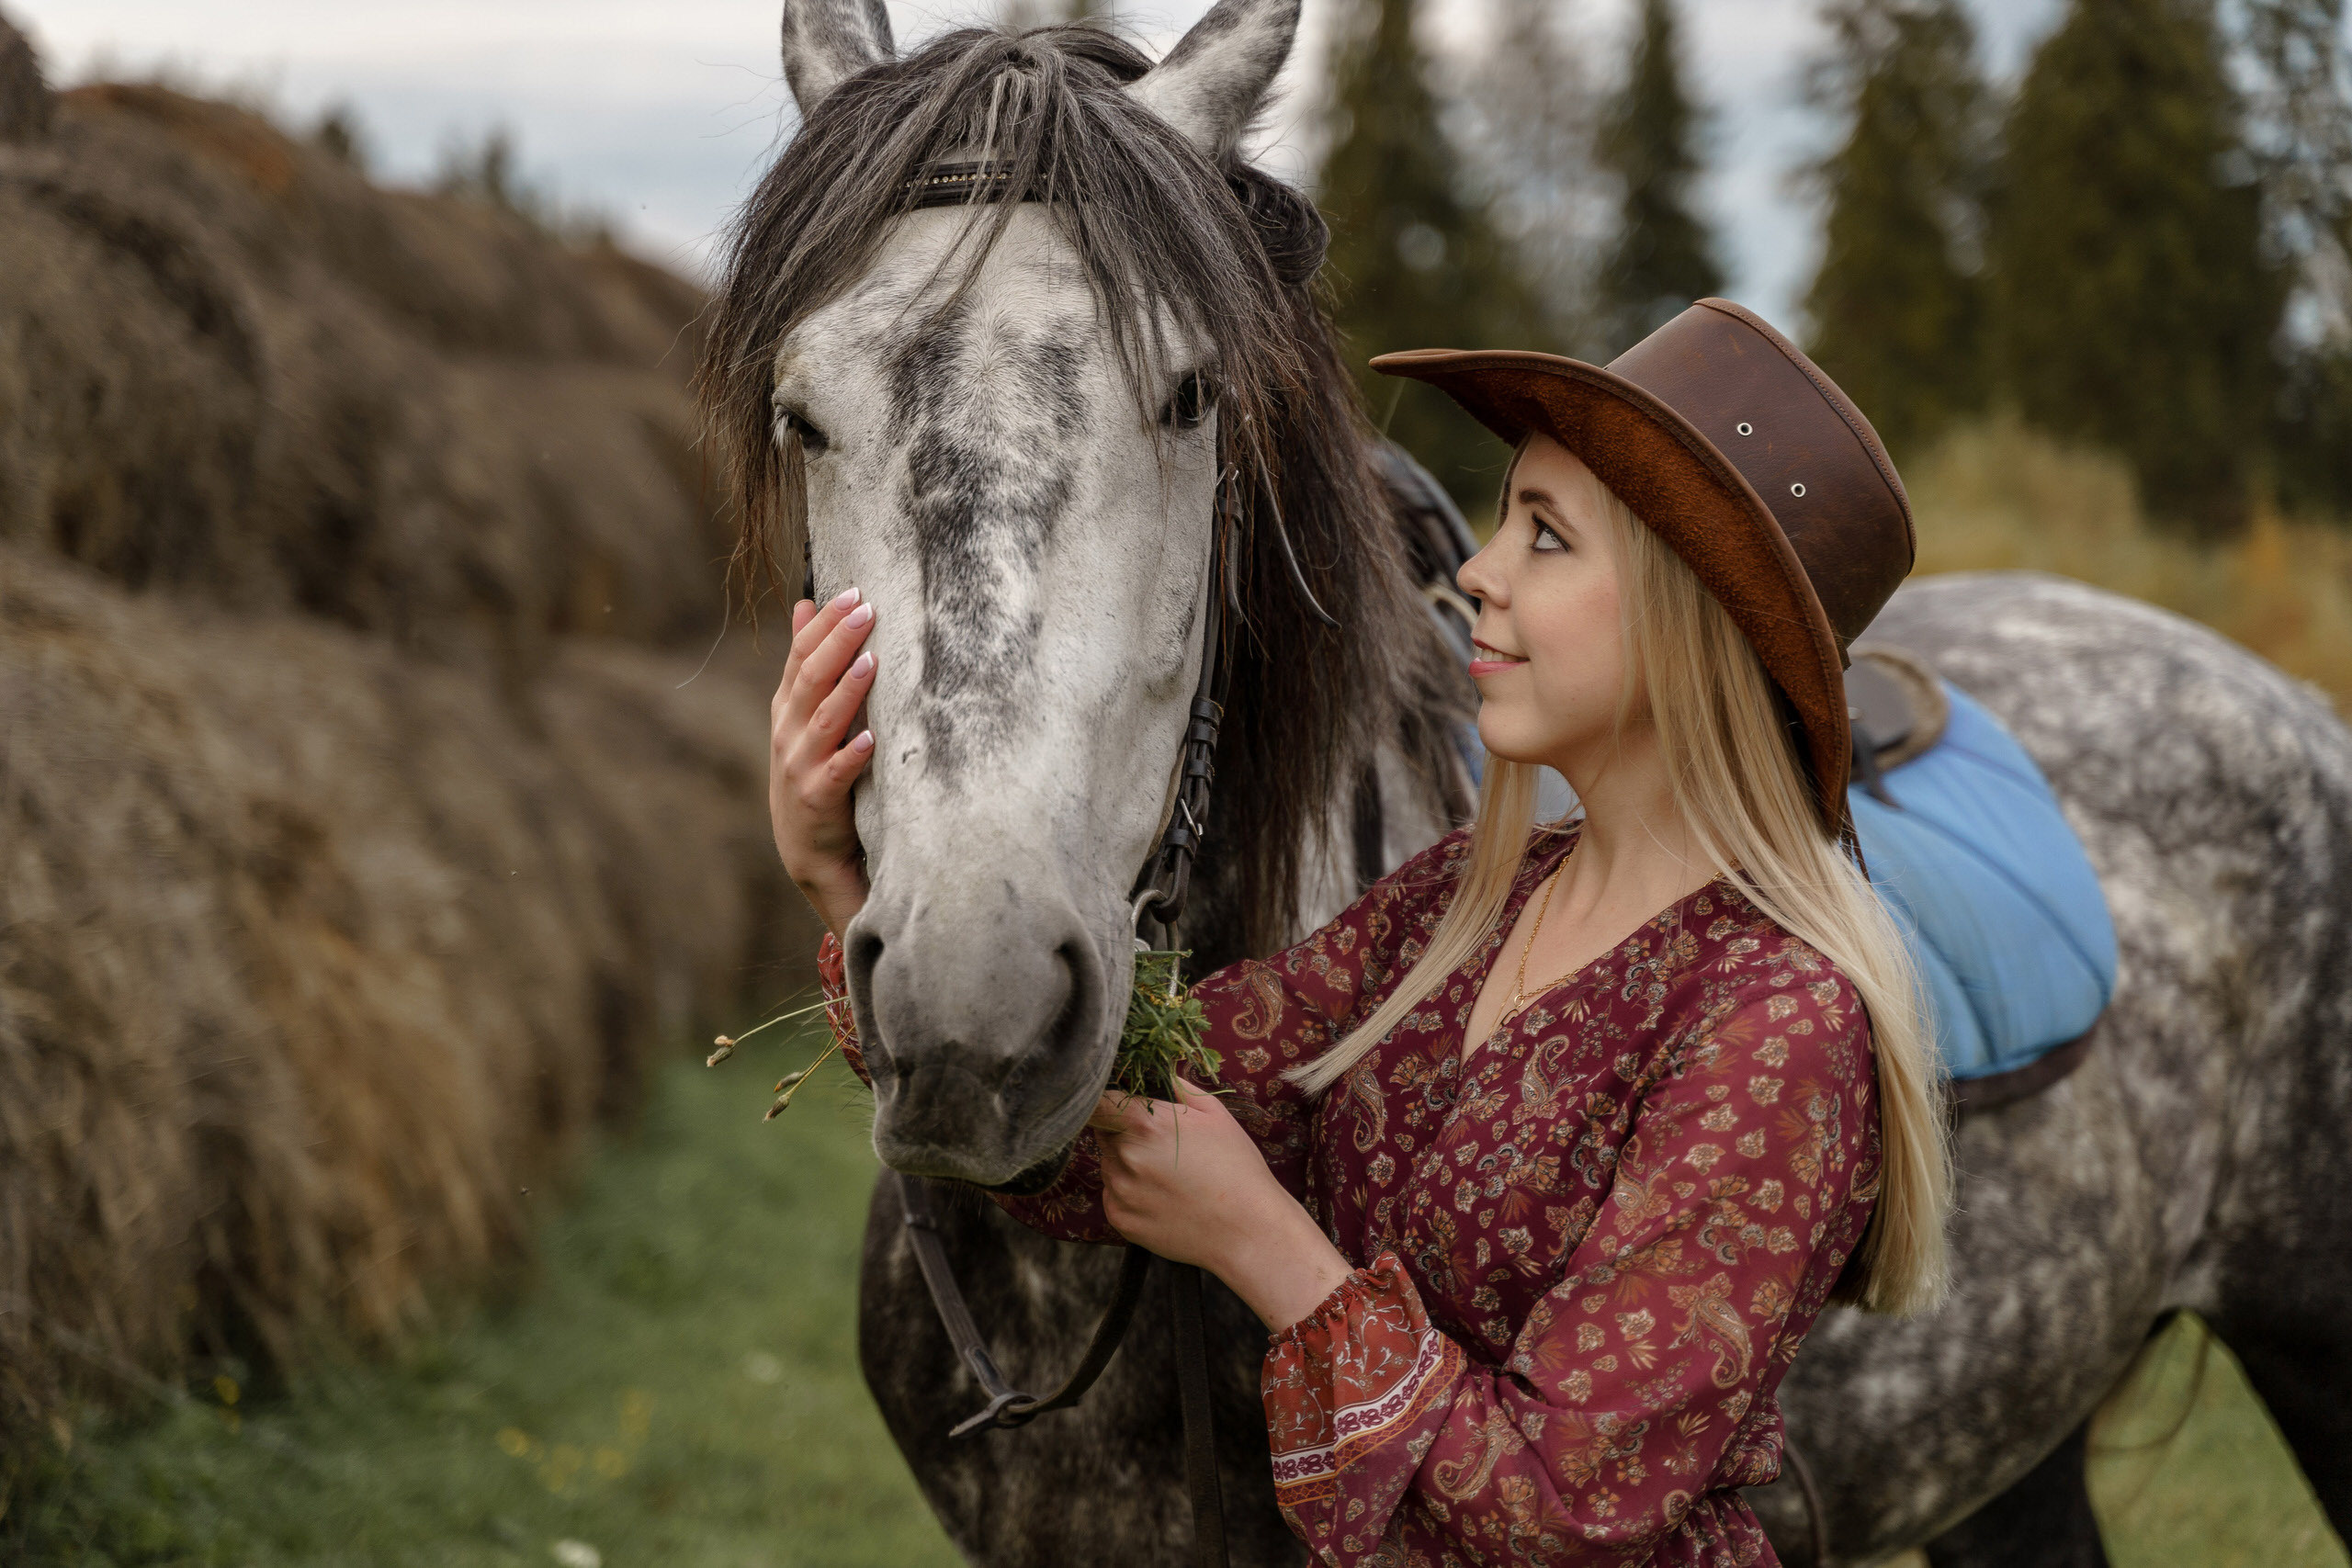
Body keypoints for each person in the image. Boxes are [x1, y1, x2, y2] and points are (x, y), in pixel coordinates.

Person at [767, 299, 1952, 1566]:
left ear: (1690, 615)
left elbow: (1564, 1517)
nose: (1478, 574)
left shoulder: (1777, 1023)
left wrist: (1264, 1246)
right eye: (1505, 522)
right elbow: (1111, 1122)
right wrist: (847, 887)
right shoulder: (1466, 906)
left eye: (1546, 538)